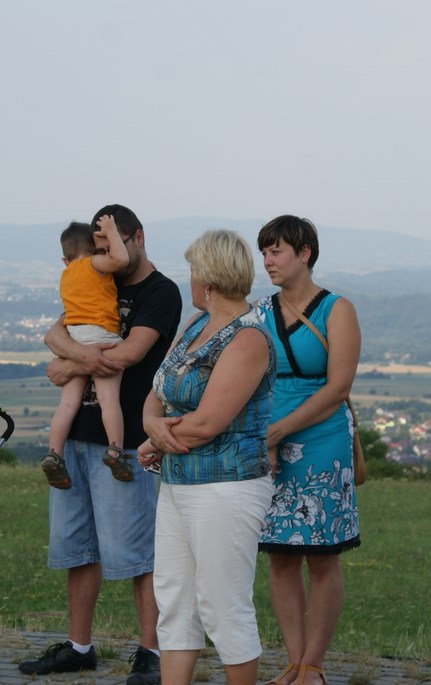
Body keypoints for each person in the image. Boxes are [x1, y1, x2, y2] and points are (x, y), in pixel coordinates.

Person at [18, 204, 182, 685]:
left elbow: (129, 354)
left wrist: (70, 364)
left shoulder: (161, 292)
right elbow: (54, 332)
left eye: (111, 246)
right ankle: (79, 647)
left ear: (137, 238)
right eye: (99, 247)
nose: (105, 254)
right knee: (78, 548)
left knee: (139, 553)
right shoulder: (95, 277)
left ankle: (151, 652)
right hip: (76, 437)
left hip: (126, 442)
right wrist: (77, 354)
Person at [136, 229, 276, 685]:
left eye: (193, 271)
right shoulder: (197, 325)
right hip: (178, 485)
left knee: (223, 606)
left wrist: (156, 439)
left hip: (227, 489)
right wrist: (152, 425)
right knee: (175, 602)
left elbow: (207, 423)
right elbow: (158, 389)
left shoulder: (248, 338)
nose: (190, 279)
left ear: (208, 280)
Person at [254, 215, 361, 685]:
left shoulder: (337, 310)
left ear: (304, 253)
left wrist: (280, 431)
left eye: (276, 250)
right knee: (279, 555)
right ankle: (294, 661)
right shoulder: (259, 312)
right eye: (264, 252)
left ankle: (314, 664)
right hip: (268, 442)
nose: (267, 260)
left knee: (322, 555)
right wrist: (266, 435)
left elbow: (338, 387)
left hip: (322, 441)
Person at [41, 214, 130, 489]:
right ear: (93, 250)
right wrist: (111, 231)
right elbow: (121, 260)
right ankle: (115, 450)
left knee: (67, 404)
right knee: (109, 399)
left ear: (64, 260)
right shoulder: (92, 263)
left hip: (74, 336)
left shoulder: (66, 274)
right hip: (100, 333)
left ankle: (54, 454)